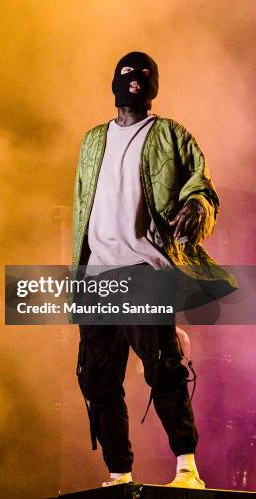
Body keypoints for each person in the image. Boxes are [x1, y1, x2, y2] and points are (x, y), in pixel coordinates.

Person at [72, 51, 237, 489]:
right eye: (128, 73)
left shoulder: (170, 135)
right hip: (98, 280)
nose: (135, 80)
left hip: (145, 268)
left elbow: (201, 185)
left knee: (163, 370)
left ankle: (187, 469)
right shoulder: (92, 141)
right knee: (99, 380)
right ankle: (119, 473)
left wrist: (197, 205)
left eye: (145, 75)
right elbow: (83, 207)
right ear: (113, 83)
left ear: (154, 86)